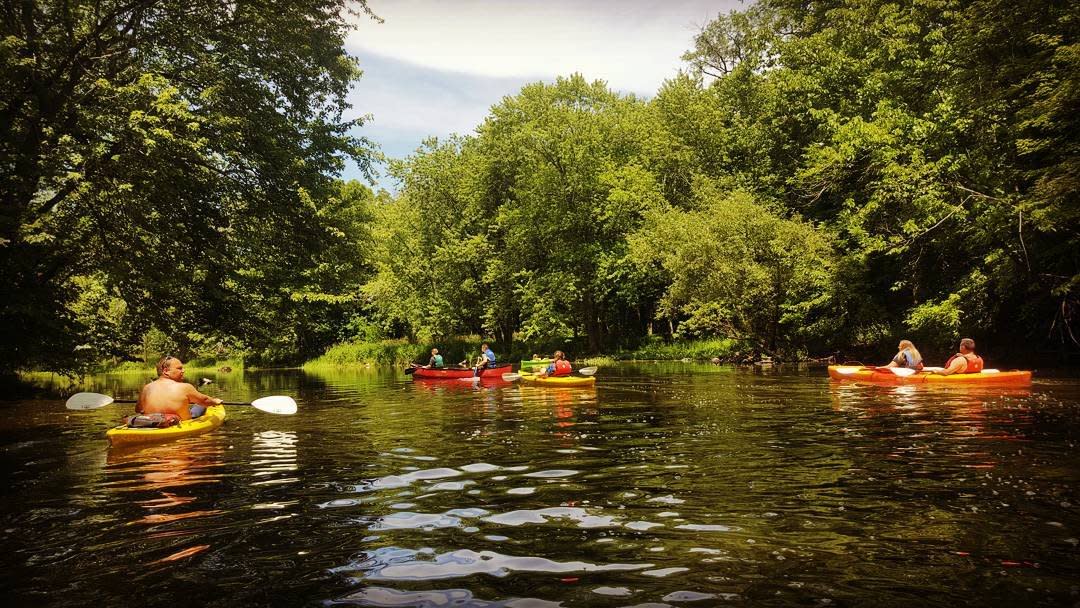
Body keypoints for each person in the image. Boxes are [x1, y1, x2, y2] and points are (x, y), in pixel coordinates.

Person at [137, 356, 222, 420]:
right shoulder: (185, 387)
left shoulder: (146, 388)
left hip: (152, 422)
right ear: (166, 371)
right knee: (199, 405)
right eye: (179, 368)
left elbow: (138, 409)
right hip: (178, 423)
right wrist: (215, 401)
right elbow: (204, 401)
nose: (183, 371)